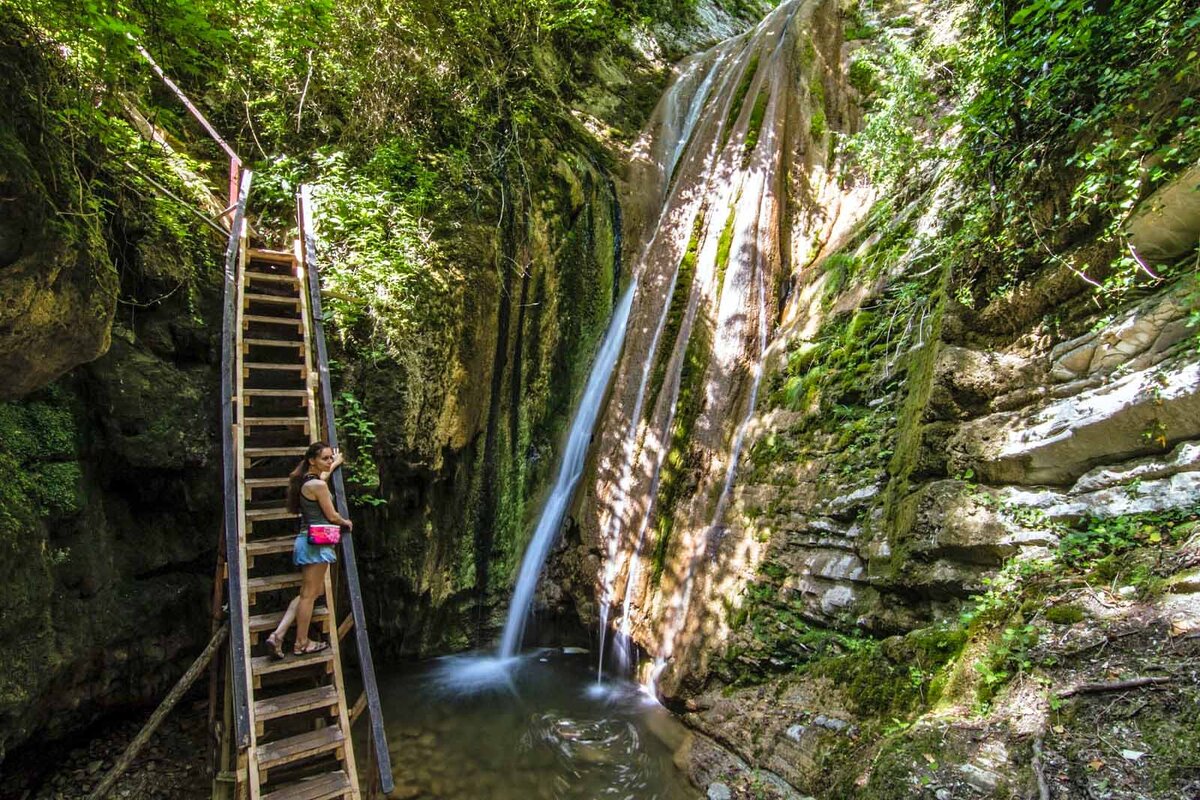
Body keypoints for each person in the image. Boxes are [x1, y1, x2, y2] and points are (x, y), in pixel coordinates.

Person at [265, 441, 352, 658]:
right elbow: (332, 516)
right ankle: (301, 643)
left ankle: (278, 634)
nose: (330, 460)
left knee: (310, 592)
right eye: (325, 458)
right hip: (316, 543)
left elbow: (322, 478)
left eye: (331, 457)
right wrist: (346, 522)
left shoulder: (308, 481)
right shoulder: (317, 486)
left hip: (307, 541)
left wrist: (334, 464)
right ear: (312, 460)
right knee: (308, 596)